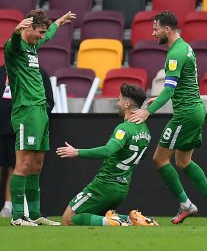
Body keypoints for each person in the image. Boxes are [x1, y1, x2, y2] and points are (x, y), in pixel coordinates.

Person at [128, 10, 207, 225]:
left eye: (155, 28)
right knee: (183, 161)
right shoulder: (186, 47)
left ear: (167, 29)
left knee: (159, 158)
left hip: (185, 114)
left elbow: (170, 90)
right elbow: (182, 84)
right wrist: (158, 97)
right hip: (195, 111)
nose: (153, 33)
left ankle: (186, 204)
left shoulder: (175, 53)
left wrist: (148, 111)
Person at [4, 9, 76, 226]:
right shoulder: (15, 48)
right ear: (28, 28)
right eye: (40, 32)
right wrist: (16, 32)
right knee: (23, 163)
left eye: (44, 32)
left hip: (41, 110)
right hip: (26, 110)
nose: (43, 36)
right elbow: (14, 43)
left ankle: (34, 214)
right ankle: (17, 217)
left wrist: (60, 22)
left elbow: (49, 33)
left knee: (37, 165)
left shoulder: (34, 46)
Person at [56, 83, 157, 226]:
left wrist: (77, 152)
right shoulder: (146, 131)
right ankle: (134, 219)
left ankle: (111, 221)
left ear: (127, 104)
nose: (117, 103)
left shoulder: (124, 128)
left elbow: (107, 150)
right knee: (92, 216)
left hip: (104, 186)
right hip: (122, 188)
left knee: (68, 219)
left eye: (120, 100)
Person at [0, 64, 54, 218]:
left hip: (23, 129)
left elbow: (48, 102)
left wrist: (32, 121)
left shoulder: (38, 73)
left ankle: (8, 207)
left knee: (15, 168)